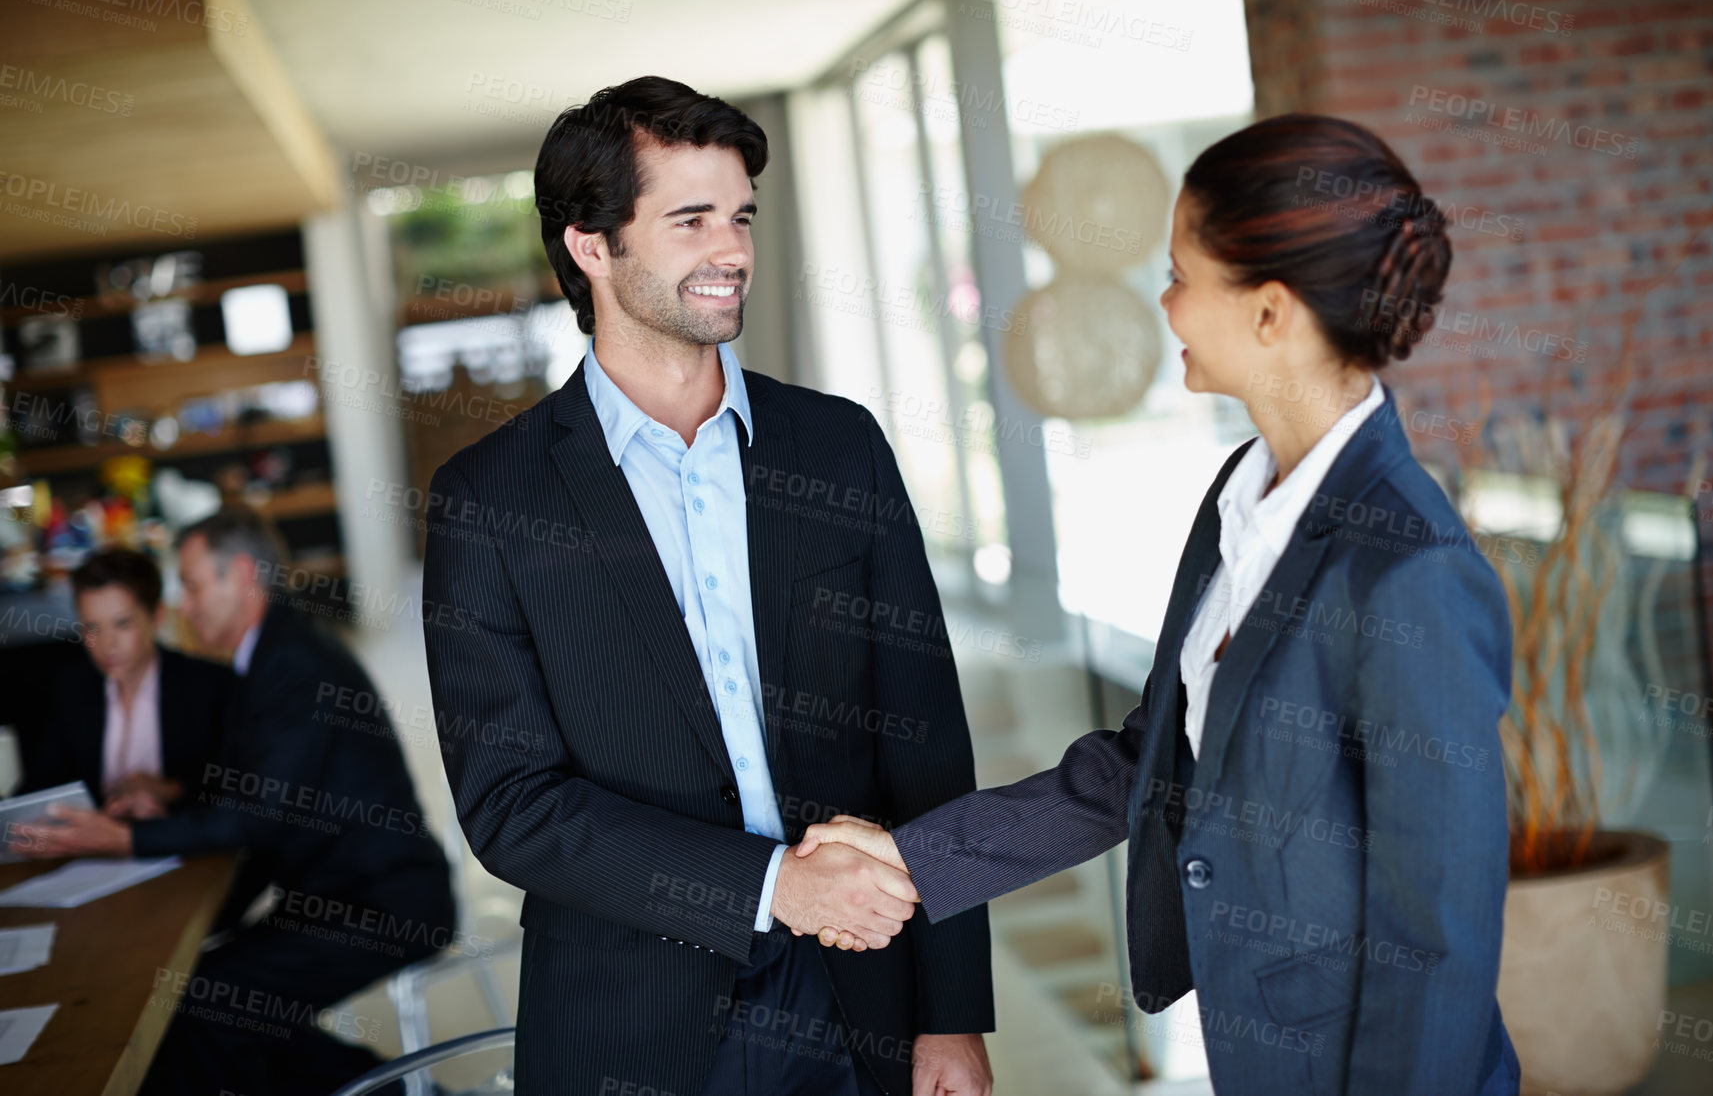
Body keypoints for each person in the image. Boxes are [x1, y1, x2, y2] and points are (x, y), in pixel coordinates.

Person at [795, 115, 1521, 1096]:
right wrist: (913, 857)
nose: (1163, 302)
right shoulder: (1238, 494)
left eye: (1180, 273)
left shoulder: (1408, 574)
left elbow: (1436, 939)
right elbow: (1149, 766)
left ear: (1270, 312)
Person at [421, 76, 993, 1096]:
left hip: (856, 988)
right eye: (690, 220)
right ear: (591, 245)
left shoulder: (838, 446)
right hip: (629, 1018)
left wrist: (949, 1013)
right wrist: (775, 884)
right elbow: (510, 804)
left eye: (739, 217)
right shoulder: (488, 500)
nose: (731, 249)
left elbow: (924, 742)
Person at [13, 508, 456, 1096]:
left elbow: (258, 816)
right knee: (204, 1003)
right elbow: (258, 787)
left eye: (194, 586)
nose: (186, 608)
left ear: (242, 575)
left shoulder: (291, 665)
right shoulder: (271, 653)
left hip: (381, 901)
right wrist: (170, 796)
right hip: (338, 891)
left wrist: (120, 837)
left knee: (203, 1007)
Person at [18, 546, 232, 820]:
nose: (108, 645)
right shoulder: (72, 689)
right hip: (95, 854)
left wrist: (171, 790)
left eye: (122, 624)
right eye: (93, 628)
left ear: (157, 617)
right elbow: (39, 787)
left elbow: (241, 788)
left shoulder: (209, 686)